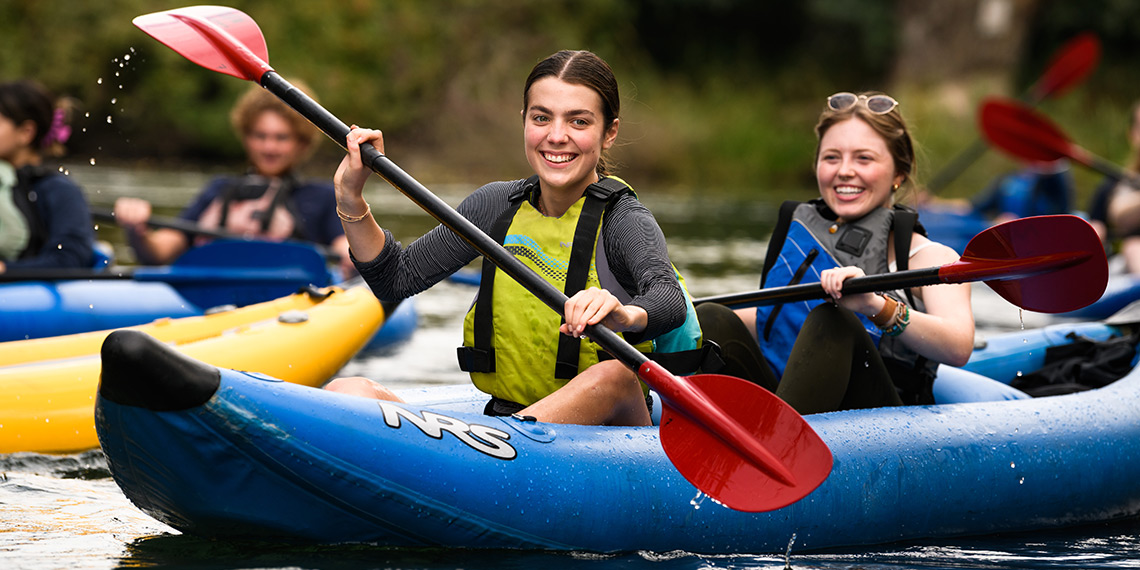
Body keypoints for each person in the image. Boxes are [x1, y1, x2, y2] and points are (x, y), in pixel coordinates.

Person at [324, 50, 709, 426]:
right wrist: (350, 196)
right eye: (542, 118)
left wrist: (623, 314)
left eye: (578, 122)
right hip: (507, 419)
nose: (556, 137)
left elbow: (668, 298)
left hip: (606, 429)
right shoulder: (496, 206)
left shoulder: (623, 219)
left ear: (609, 133)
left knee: (612, 376)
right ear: (525, 121)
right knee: (348, 391)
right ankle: (504, 439)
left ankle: (499, 449)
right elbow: (394, 280)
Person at [698, 91, 976, 414]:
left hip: (882, 423)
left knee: (834, 321)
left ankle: (780, 447)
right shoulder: (802, 234)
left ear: (899, 173)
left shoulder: (928, 256)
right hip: (791, 406)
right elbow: (767, 320)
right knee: (711, 317)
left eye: (864, 159)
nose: (844, 171)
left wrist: (875, 305)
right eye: (832, 158)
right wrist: (670, 317)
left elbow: (959, 346)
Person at [113, 81, 354, 277]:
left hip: (288, 302)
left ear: (302, 143)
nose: (269, 147)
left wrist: (353, 257)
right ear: (246, 137)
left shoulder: (319, 197)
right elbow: (161, 252)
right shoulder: (219, 189)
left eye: (281, 138)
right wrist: (138, 229)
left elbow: (343, 247)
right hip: (206, 297)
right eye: (260, 136)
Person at [0, 79, 95, 272]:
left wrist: (6, 270)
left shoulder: (59, 189)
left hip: (31, 293)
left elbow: (70, 259)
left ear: (26, 132)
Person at [1088, 99, 1140, 273]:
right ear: (1132, 134)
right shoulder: (1113, 184)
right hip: (1126, 267)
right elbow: (1116, 216)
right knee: (1133, 248)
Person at [970, 158, 1074, 223]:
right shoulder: (1008, 180)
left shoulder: (1053, 182)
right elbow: (981, 205)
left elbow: (1063, 210)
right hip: (1003, 231)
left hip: (1034, 235)